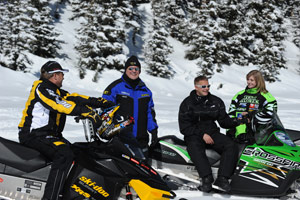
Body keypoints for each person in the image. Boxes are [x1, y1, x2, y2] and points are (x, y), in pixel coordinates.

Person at [18, 61, 114, 200]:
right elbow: (59, 104)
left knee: (81, 152)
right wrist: (87, 112)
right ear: (55, 75)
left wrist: (102, 103)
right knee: (64, 154)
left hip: (49, 136)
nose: (63, 77)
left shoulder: (57, 92)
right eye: (62, 74)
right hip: (34, 135)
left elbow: (77, 99)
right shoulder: (42, 88)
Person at [178, 75, 245, 193]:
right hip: (194, 134)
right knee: (194, 146)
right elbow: (184, 127)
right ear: (196, 87)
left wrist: (238, 121)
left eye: (208, 86)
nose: (206, 88)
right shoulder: (187, 103)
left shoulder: (216, 101)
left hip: (212, 132)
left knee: (230, 145)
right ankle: (206, 178)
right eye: (203, 86)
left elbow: (224, 121)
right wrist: (202, 134)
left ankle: (223, 179)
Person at [102, 55, 158, 158]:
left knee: (143, 170)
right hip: (121, 138)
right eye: (130, 68)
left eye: (136, 69)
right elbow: (105, 111)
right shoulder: (115, 87)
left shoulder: (145, 91)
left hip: (141, 139)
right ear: (125, 70)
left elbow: (149, 113)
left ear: (140, 71)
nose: (133, 71)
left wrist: (154, 131)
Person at [227, 70, 277, 143]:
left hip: (256, 136)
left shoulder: (267, 96)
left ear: (258, 81)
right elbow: (231, 112)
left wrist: (252, 115)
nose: (249, 82)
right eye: (248, 79)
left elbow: (271, 114)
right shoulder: (239, 95)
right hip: (236, 133)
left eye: (252, 80)